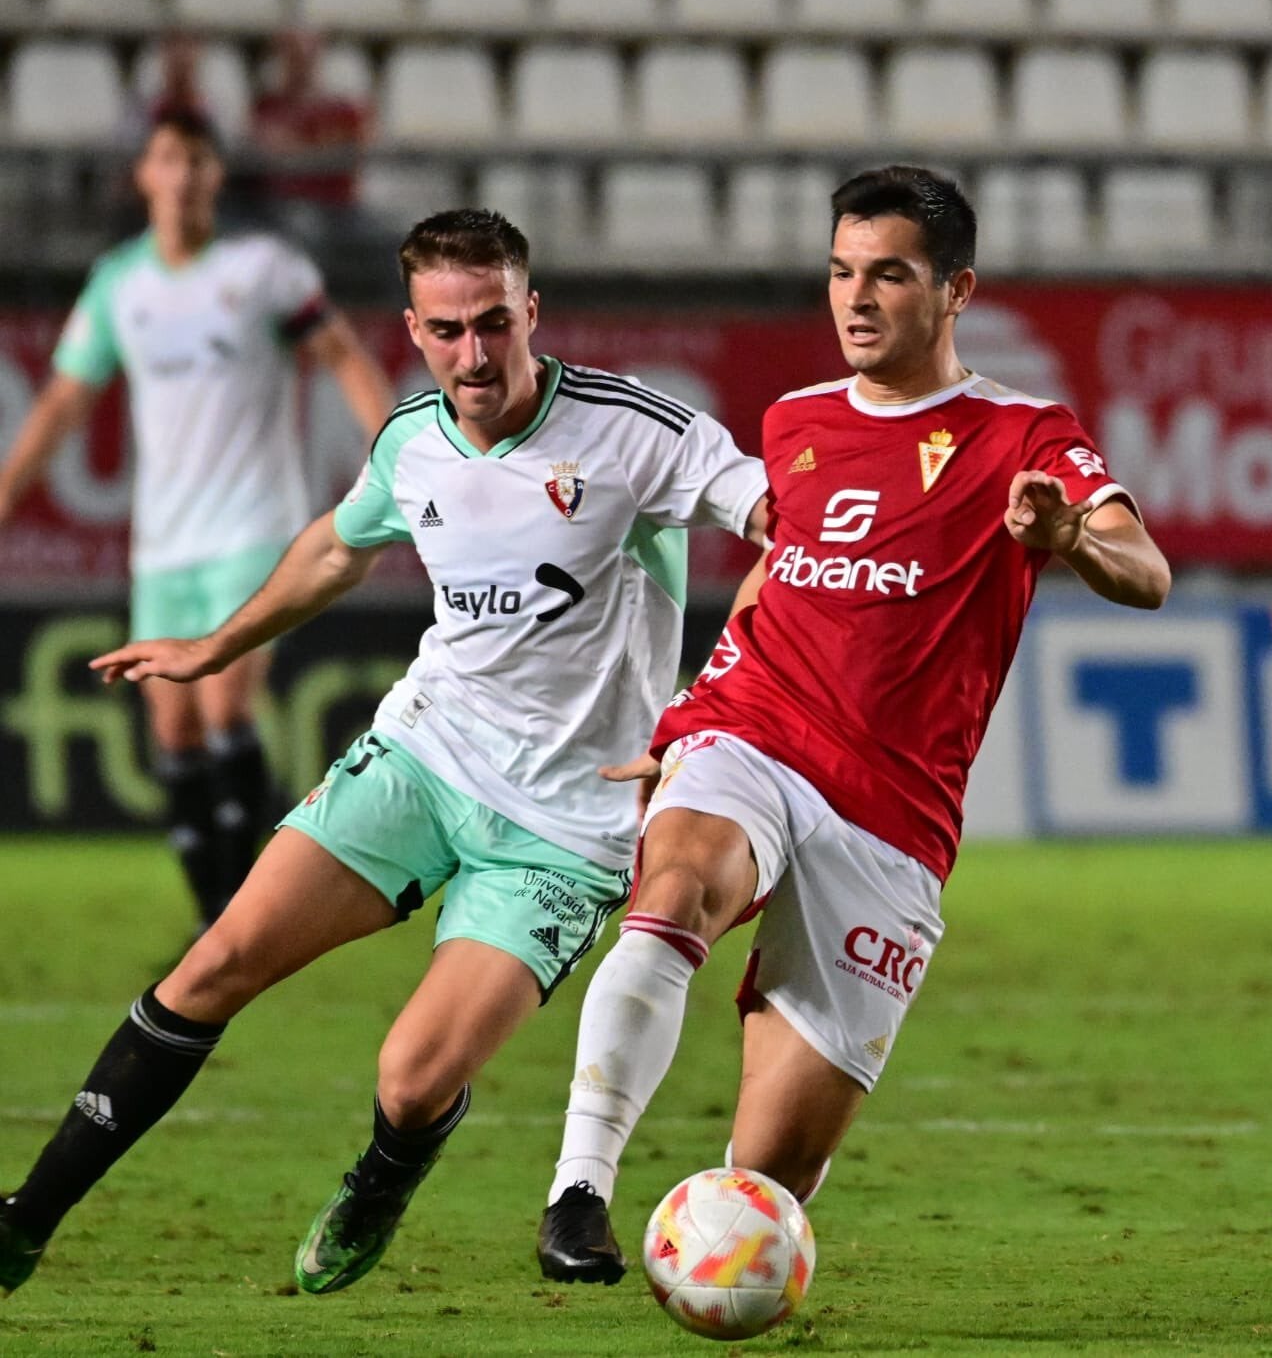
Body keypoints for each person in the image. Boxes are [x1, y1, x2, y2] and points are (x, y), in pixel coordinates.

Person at [0, 208, 773, 1298]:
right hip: (424, 757)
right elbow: (334, 546)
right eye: (448, 330)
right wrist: (217, 645)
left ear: (530, 313)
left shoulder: (636, 432)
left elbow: (787, 529)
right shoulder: (412, 438)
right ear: (413, 328)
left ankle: (384, 1173)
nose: (474, 354)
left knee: (409, 1080)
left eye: (494, 324)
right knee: (212, 966)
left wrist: (710, 705)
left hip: (567, 828)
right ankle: (25, 1221)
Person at [532, 165, 1171, 1284]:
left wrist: (1067, 537)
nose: (854, 297)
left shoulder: (1023, 432)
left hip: (890, 817)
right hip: (757, 733)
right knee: (675, 883)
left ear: (955, 288)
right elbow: (779, 581)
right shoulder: (795, 422)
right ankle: (577, 1191)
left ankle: (732, 1244)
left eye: (886, 274)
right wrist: (691, 712)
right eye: (838, 271)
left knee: (767, 1175)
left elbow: (1147, 571)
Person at [0, 110, 391, 930]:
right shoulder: (119, 283)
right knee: (170, 729)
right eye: (168, 159)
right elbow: (68, 399)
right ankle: (214, 914)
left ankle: (233, 914)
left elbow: (342, 355)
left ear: (216, 175)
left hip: (254, 525)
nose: (182, 176)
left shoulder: (263, 269)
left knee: (222, 703)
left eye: (198, 160)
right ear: (144, 175)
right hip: (165, 542)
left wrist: (396, 454)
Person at [252, 29, 372, 214]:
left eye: (306, 53)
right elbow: (268, 155)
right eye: (293, 53)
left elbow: (360, 151)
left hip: (337, 209)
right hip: (283, 207)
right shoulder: (266, 107)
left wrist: (295, 146)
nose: (301, 61)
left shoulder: (345, 111)